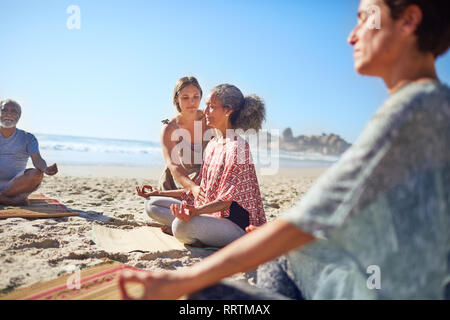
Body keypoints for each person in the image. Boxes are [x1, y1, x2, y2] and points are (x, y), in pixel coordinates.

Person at [119, 0, 450, 300]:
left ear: (408, 20)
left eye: (364, 19)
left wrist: (182, 282)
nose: (352, 36)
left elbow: (302, 224)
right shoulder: (429, 105)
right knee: (273, 267)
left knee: (201, 298)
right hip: (313, 272)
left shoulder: (413, 113)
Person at [136, 84, 267, 248]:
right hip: (210, 215)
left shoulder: (238, 148)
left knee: (180, 226)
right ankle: (201, 232)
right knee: (152, 203)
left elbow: (225, 203)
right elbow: (200, 190)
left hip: (236, 227)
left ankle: (201, 234)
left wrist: (194, 212)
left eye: (211, 107)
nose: (204, 111)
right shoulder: (213, 144)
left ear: (228, 110)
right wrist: (160, 192)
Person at [136, 77, 209, 231]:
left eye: (196, 97)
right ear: (177, 98)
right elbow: (174, 166)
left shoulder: (209, 120)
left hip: (207, 181)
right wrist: (193, 188)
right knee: (151, 205)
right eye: (185, 97)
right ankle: (187, 223)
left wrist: (199, 188)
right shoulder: (170, 128)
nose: (192, 102)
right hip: (179, 181)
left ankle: (184, 225)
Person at [0, 99, 58, 205]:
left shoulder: (28, 138)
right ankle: (10, 200)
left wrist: (45, 169)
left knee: (37, 174)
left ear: (19, 116)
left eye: (13, 111)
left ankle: (3, 196)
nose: (8, 113)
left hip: (15, 185)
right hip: (12, 192)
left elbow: (37, 159)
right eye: (4, 110)